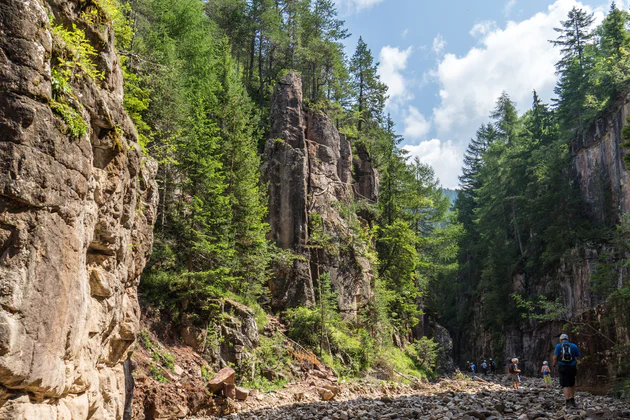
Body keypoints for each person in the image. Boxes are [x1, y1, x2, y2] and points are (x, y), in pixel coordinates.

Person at [553, 333, 582, 408]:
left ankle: (567, 401)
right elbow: (579, 356)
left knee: (564, 384)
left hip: (562, 366)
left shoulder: (559, 346)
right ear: (567, 339)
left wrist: (554, 364)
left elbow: (555, 357)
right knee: (571, 384)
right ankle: (572, 400)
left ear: (561, 339)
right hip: (572, 367)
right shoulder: (573, 346)